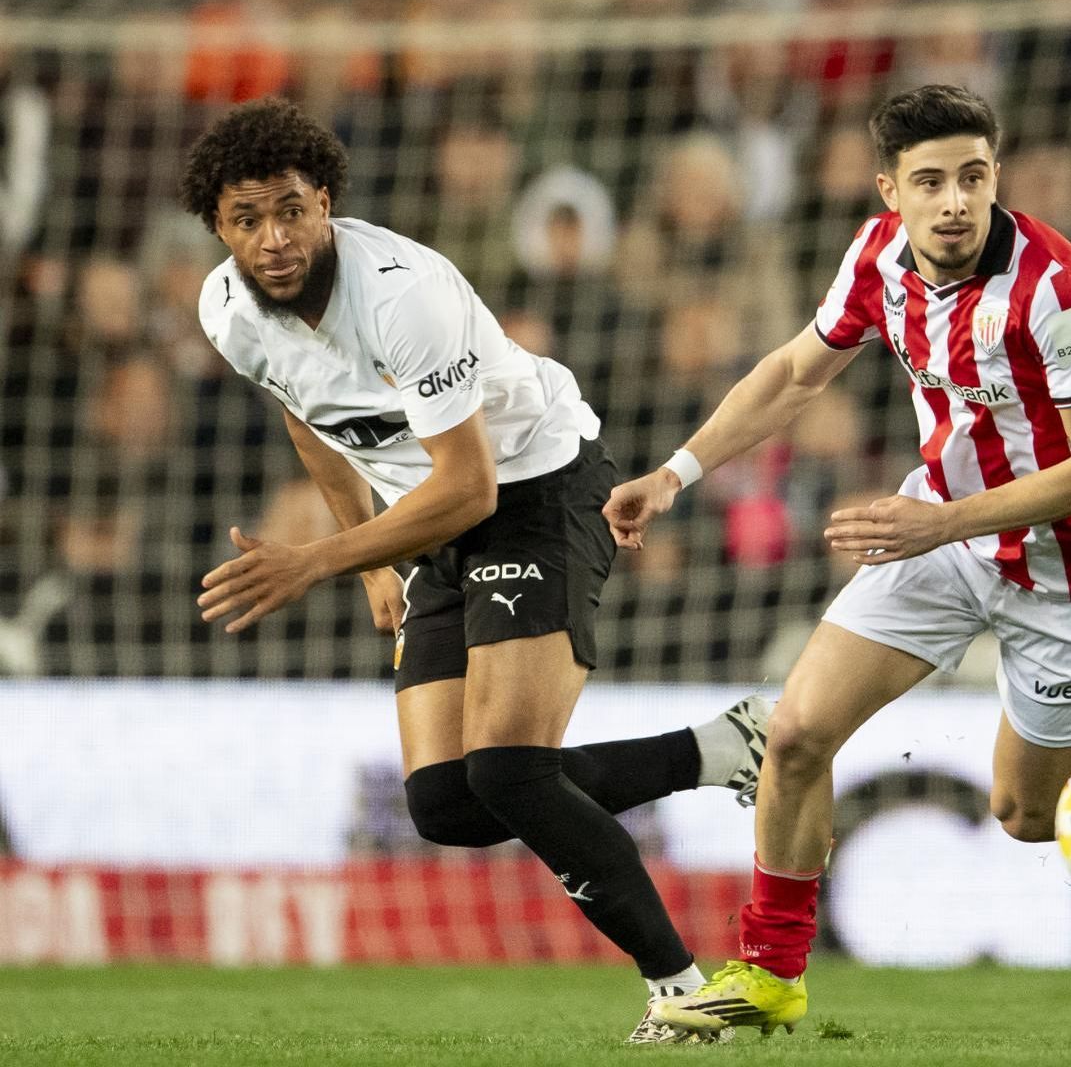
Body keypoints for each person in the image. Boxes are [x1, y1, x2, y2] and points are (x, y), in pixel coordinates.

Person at [179, 98, 768, 1044]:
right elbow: (307, 415)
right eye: (247, 220)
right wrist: (372, 559)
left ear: (324, 202)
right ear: (219, 228)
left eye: (290, 210)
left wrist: (322, 562)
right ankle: (721, 750)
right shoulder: (226, 310)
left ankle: (683, 991)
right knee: (447, 804)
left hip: (533, 490)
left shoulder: (405, 294)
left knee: (509, 769)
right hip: (426, 523)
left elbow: (470, 488)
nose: (274, 238)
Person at [605, 85, 1071, 1035]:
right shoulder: (877, 258)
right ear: (890, 192)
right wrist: (676, 473)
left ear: (996, 176)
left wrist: (942, 526)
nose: (955, 201)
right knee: (794, 736)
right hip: (945, 529)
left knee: (1025, 816)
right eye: (930, 182)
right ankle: (771, 975)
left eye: (973, 177)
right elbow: (795, 372)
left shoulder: (1058, 288)